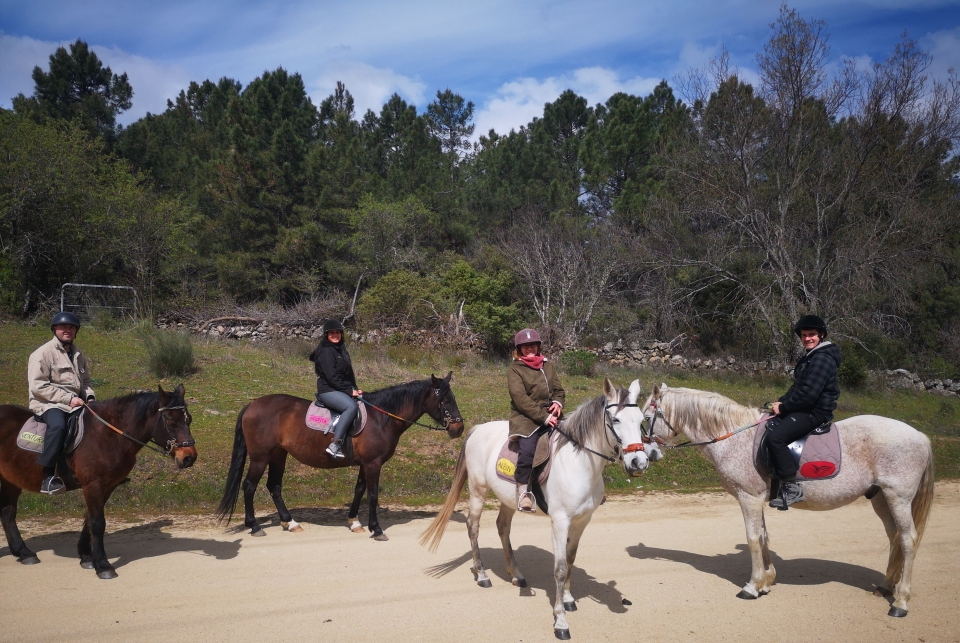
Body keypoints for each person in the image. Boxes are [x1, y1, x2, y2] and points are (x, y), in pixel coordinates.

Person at [767, 314, 842, 508]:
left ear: (821, 335)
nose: (807, 338)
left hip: (815, 412)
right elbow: (798, 389)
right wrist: (779, 403)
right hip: (806, 408)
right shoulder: (812, 357)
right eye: (804, 335)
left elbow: (808, 395)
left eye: (812, 334)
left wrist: (784, 408)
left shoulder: (822, 359)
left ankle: (792, 488)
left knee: (776, 438)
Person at [28, 311, 96, 495]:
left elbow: (87, 383)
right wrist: (68, 399)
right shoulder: (42, 354)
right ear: (55, 329)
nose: (68, 330)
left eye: (72, 327)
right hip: (48, 404)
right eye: (63, 327)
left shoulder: (78, 354)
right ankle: (47, 477)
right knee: (58, 426)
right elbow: (38, 387)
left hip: (76, 403)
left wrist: (89, 398)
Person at [508, 328, 565, 513]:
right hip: (525, 418)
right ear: (519, 349)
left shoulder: (547, 366)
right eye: (525, 346)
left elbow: (558, 389)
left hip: (551, 415)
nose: (529, 349)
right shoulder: (515, 370)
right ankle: (524, 492)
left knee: (576, 439)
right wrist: (544, 417)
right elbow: (520, 399)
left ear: (538, 346)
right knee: (528, 450)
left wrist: (558, 403)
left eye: (532, 345)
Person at [309, 319, 362, 460]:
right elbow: (332, 377)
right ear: (326, 335)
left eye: (338, 332)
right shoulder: (326, 352)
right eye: (332, 333)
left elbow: (349, 374)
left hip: (339, 388)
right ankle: (335, 444)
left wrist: (355, 389)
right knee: (350, 407)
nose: (335, 335)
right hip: (328, 390)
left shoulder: (341, 350)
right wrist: (349, 391)